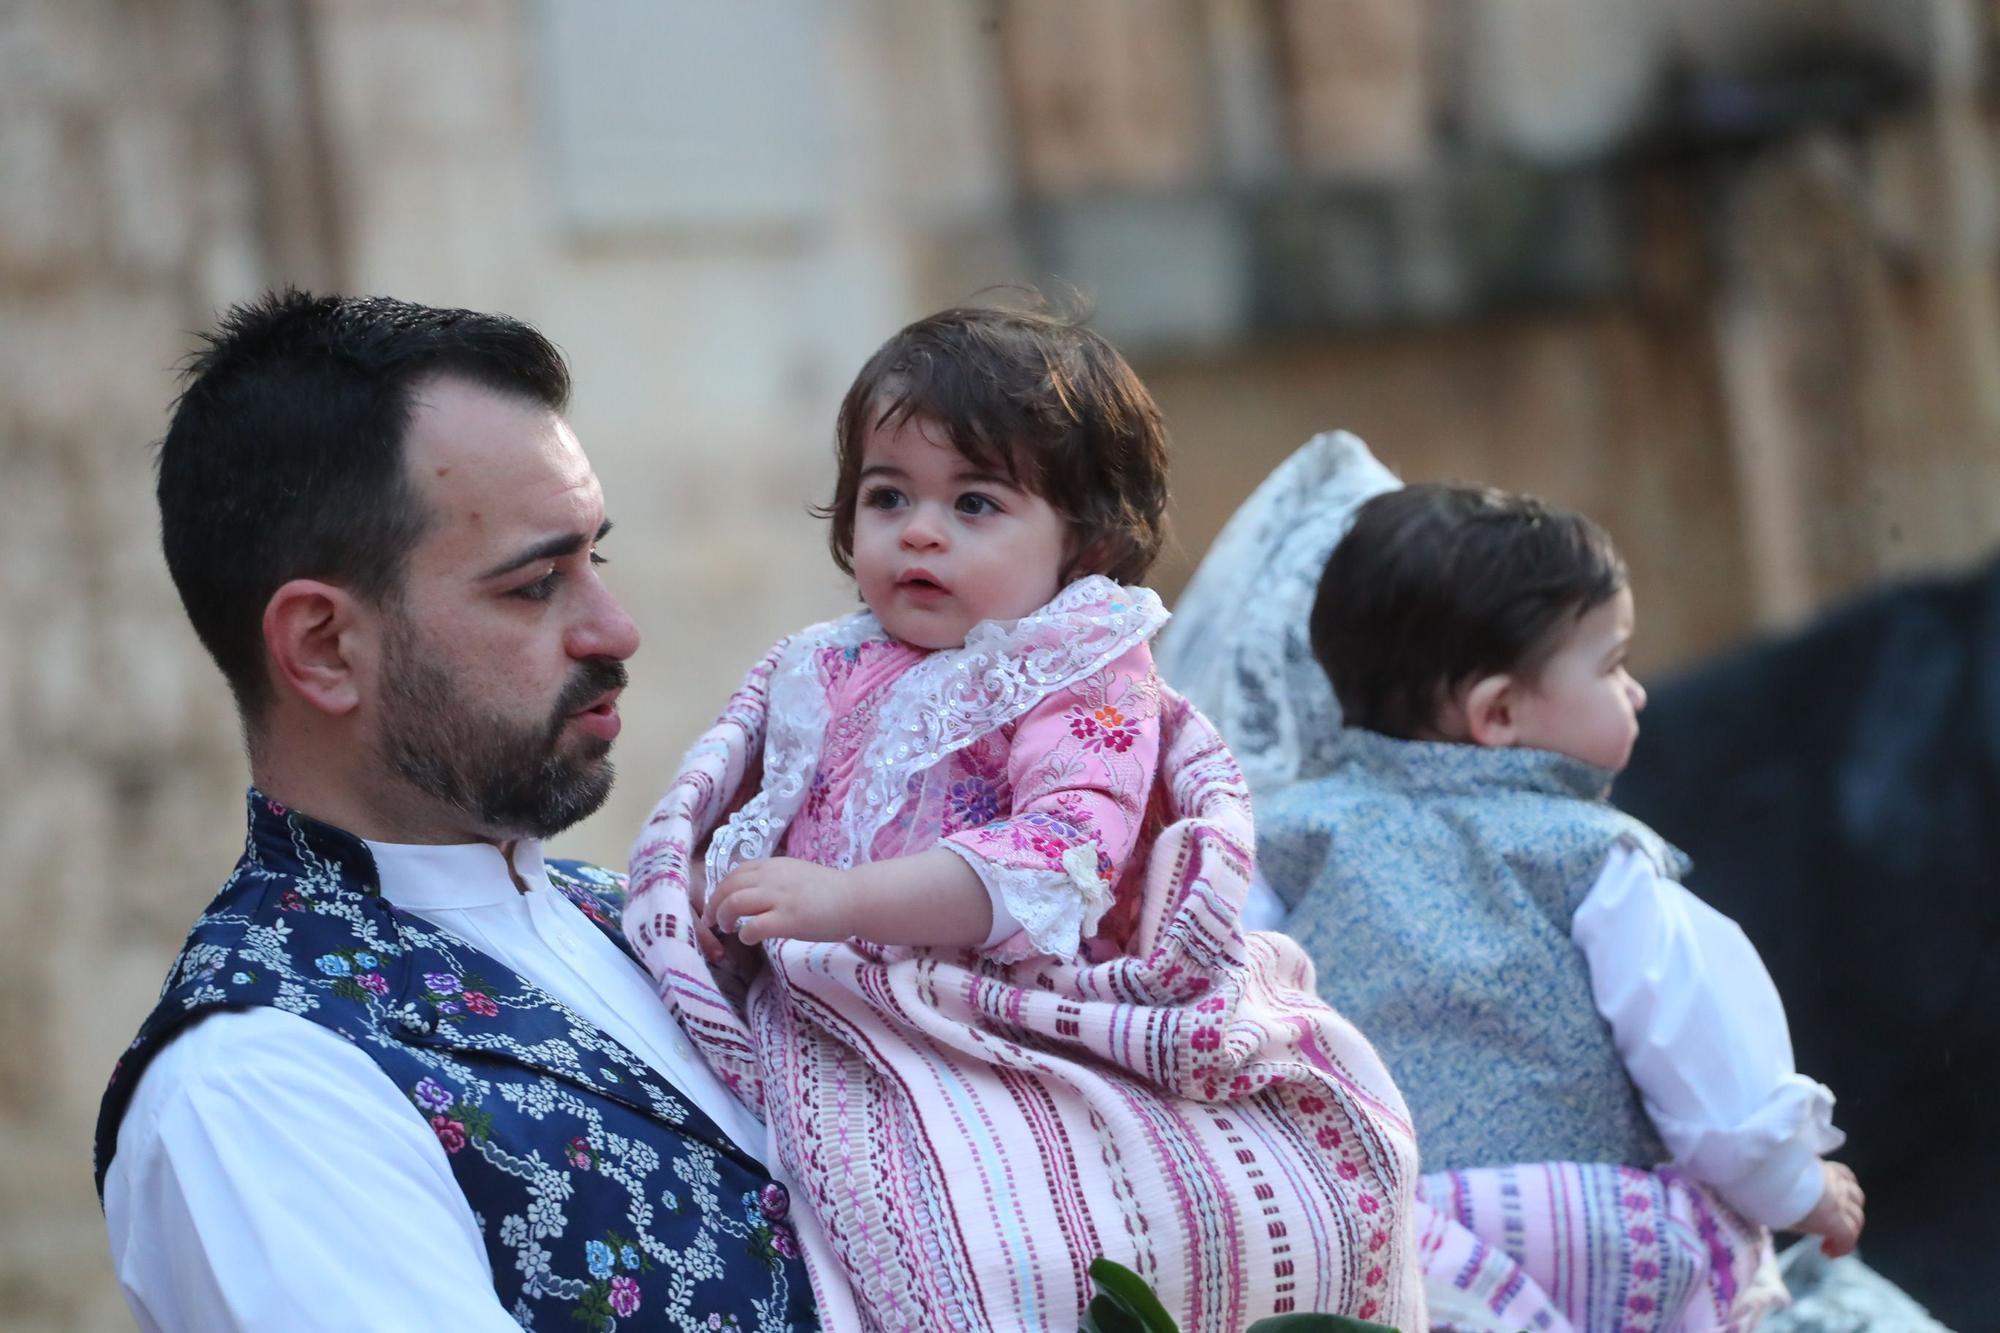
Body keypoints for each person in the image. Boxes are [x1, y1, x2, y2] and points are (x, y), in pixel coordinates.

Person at [625, 302, 1427, 1330]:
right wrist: (708, 896)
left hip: (1003, 1005)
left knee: (978, 1212)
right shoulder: (825, 662)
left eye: (973, 502)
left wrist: (841, 898)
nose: (918, 529)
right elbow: (741, 798)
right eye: (886, 496)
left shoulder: (1072, 667)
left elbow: (1060, 858)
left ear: (1083, 541)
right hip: (832, 996)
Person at [96, 291, 829, 1332]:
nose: (614, 630)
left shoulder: (634, 921)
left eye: (595, 559)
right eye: (535, 585)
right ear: (320, 646)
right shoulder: (258, 1090)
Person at [1256, 482, 1865, 1330]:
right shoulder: (1595, 858)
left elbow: (1230, 1006)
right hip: (1583, 1236)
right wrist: (1803, 1185)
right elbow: (1711, 1077)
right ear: (1499, 712)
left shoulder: (1287, 836)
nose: (1638, 691)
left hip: (1378, 1238)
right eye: (1612, 664)